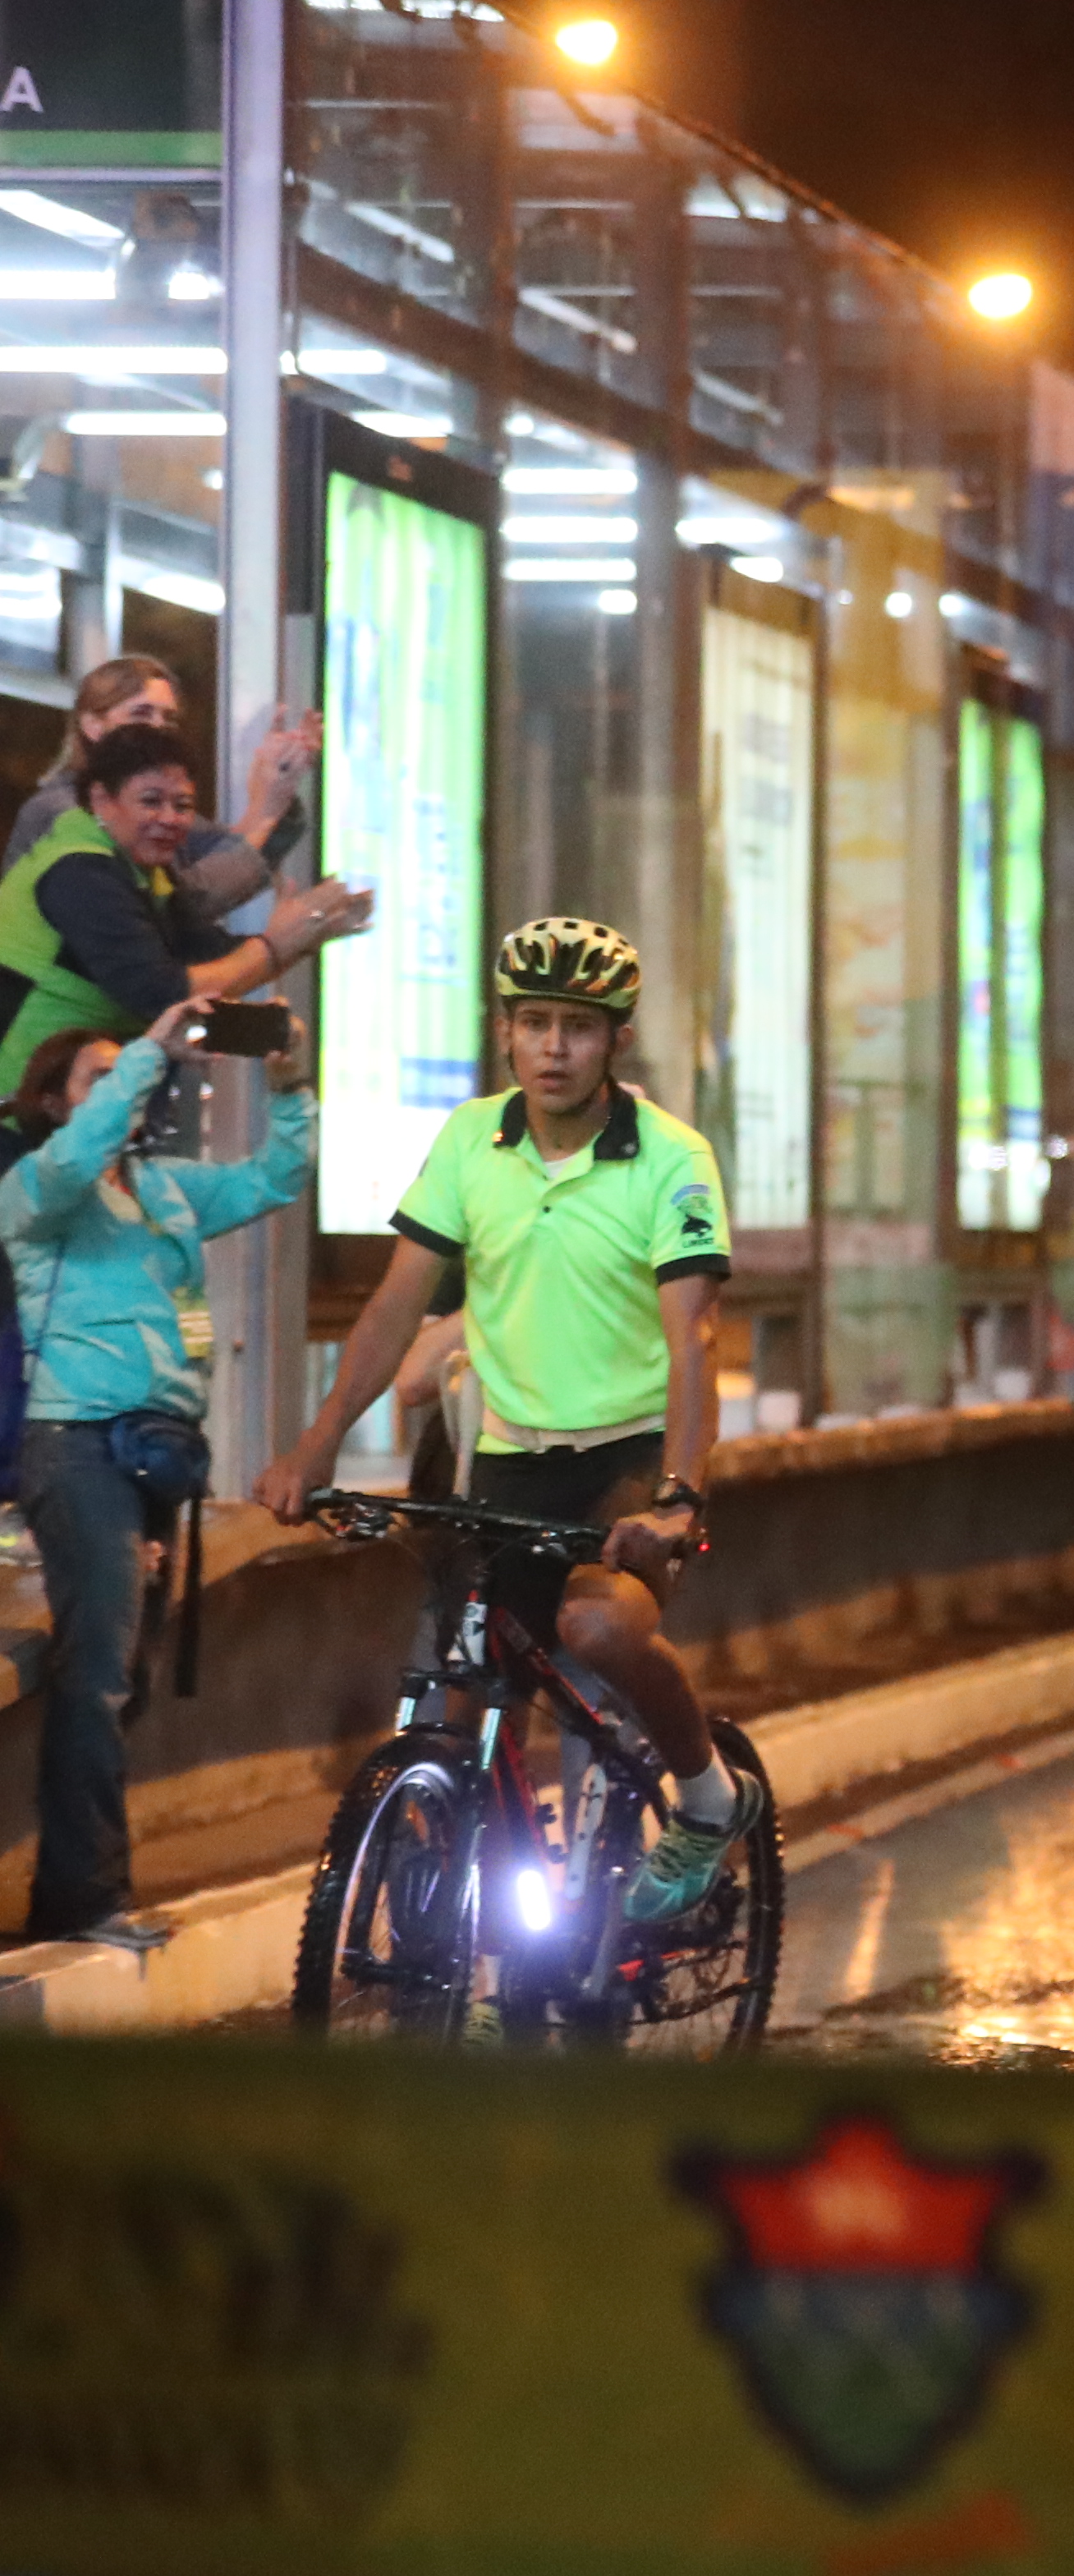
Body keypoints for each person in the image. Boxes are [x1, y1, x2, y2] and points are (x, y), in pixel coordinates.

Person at [255, 918, 754, 1924]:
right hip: (507, 1456)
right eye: (536, 1024)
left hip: (632, 1450)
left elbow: (692, 1335)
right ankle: (485, 1965)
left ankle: (707, 1797)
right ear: (506, 1033)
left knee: (599, 1624)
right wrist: (314, 1448)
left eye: (579, 1026)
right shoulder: (469, 1141)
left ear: (616, 1039)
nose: (556, 1047)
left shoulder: (671, 1157)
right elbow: (397, 1307)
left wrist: (677, 1497)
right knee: (467, 1679)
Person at [0, 997, 314, 1946]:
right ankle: (88, 1900)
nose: (126, 1086)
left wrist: (291, 1079)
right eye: (95, 1078)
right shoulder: (36, 1188)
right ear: (56, 1103)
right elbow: (70, 1155)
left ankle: (77, 1887)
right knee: (97, 1675)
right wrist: (145, 1054)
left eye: (129, 1073)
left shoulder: (166, 1189)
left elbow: (277, 1176)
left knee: (121, 1678)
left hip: (155, 1455)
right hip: (77, 1445)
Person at [0, 723, 368, 1086]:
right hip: (21, 1106)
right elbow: (164, 995)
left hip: (83, 1104)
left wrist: (309, 931)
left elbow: (205, 956)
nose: (169, 819)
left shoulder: (144, 871)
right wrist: (278, 944)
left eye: (183, 805)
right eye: (150, 801)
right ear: (101, 801)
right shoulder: (79, 870)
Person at [6, 656, 317, 932]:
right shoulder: (60, 809)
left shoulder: (153, 804)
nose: (158, 728)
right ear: (93, 726)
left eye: (168, 719)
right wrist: (265, 809)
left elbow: (237, 854)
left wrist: (282, 779)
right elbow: (191, 903)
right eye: (142, 713)